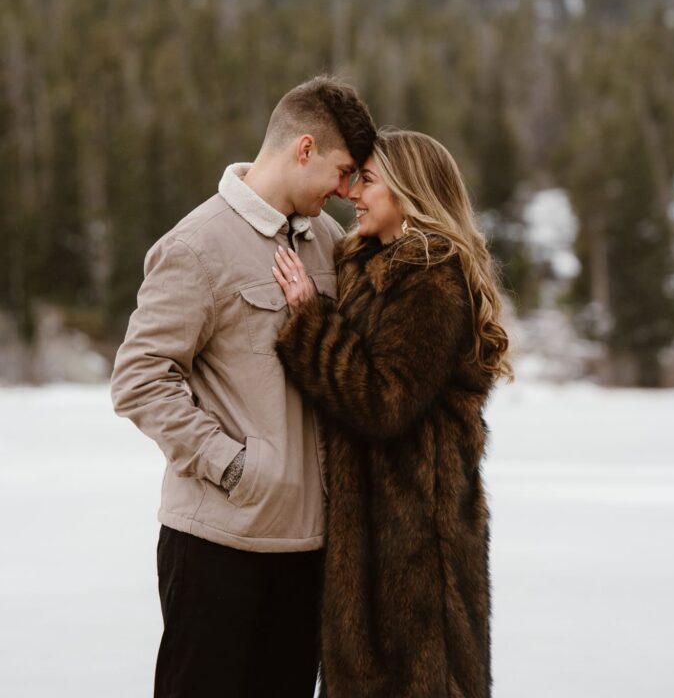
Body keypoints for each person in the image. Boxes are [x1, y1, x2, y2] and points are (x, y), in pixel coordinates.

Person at [110, 75, 376, 698]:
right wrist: (233, 466)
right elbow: (140, 378)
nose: (345, 191)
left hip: (308, 551)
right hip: (217, 546)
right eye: (341, 171)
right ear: (303, 148)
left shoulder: (329, 244)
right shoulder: (197, 246)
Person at [273, 129, 512, 698]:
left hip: (415, 562)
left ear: (409, 192)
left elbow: (384, 402)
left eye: (369, 180)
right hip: (375, 550)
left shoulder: (432, 278)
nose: (353, 193)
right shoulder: (375, 269)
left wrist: (309, 321)